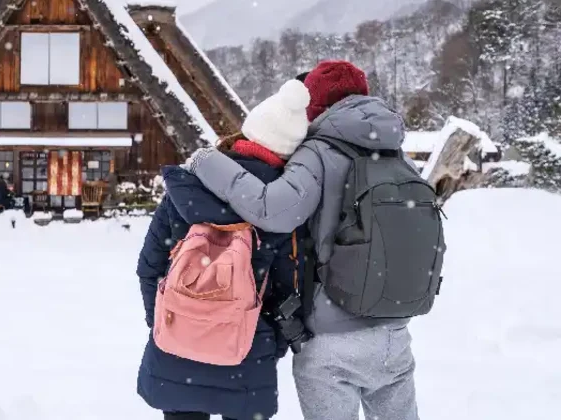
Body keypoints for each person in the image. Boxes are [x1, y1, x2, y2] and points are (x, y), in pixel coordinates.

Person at [184, 61, 421, 420]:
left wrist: (207, 162)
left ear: (315, 106)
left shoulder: (320, 151)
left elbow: (272, 209)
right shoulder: (396, 152)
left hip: (332, 335)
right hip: (393, 331)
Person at [136, 79, 311, 420]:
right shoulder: (283, 206)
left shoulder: (185, 187)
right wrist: (266, 344)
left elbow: (149, 267)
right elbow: (291, 287)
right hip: (244, 354)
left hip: (176, 343)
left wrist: (165, 322)